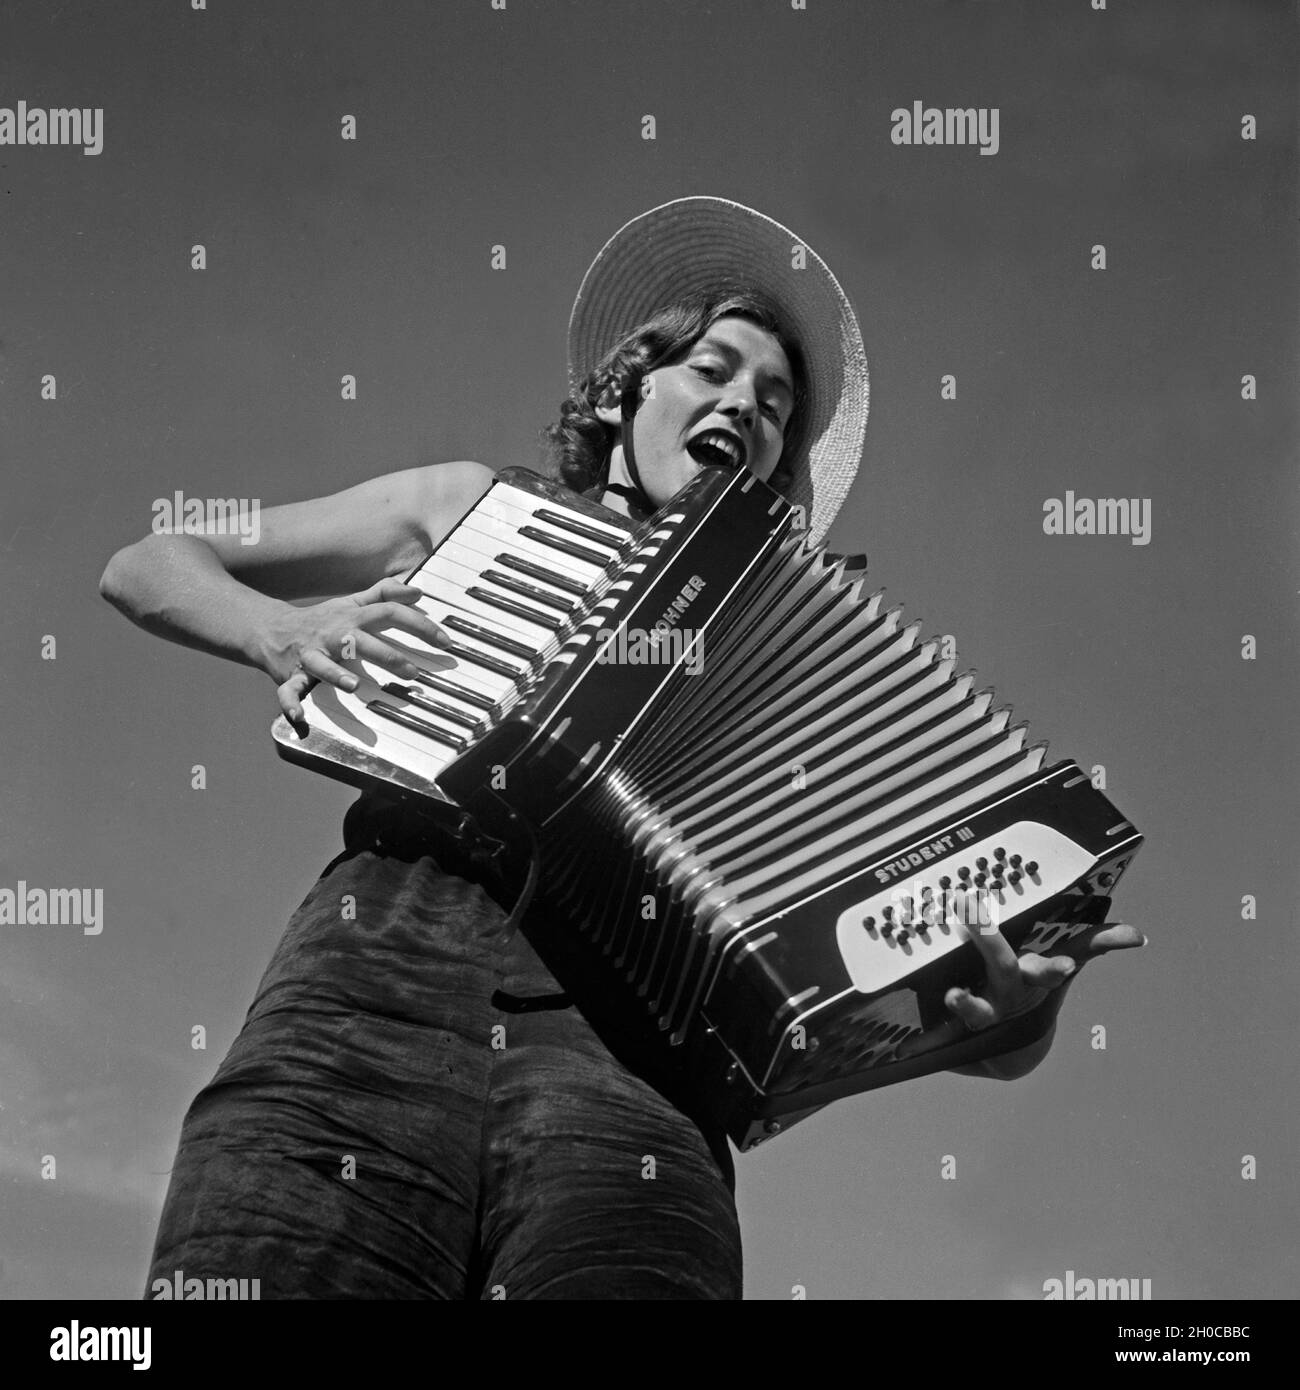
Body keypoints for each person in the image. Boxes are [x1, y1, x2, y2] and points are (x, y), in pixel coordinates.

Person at [100, 197, 1143, 1300]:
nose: (743, 406)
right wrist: (280, 628)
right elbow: (150, 562)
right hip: (370, 995)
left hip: (635, 1077)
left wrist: (1015, 1022)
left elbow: (862, 993)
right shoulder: (472, 506)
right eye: (713, 370)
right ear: (627, 387)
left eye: (775, 407)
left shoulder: (794, 651)